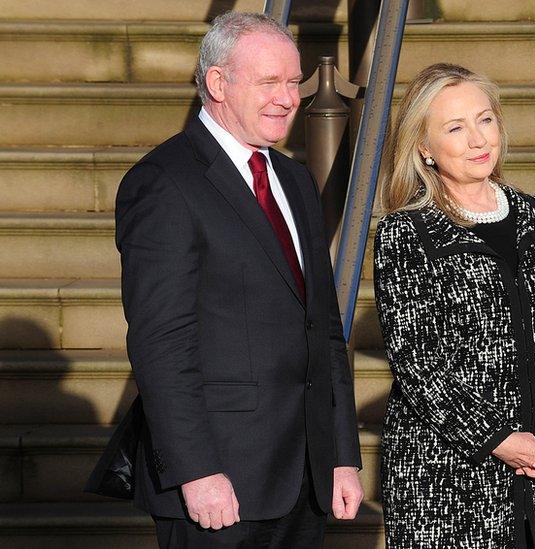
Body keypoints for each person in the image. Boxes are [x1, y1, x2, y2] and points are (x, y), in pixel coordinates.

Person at [101, 11, 363, 547]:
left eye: (294, 83)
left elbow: (324, 330)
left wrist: (340, 454)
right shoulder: (163, 183)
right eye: (270, 82)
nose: (289, 98)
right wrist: (196, 471)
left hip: (304, 478)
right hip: (218, 483)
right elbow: (161, 344)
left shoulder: (293, 179)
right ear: (217, 83)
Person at [372, 63, 535, 549]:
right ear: (423, 148)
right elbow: (419, 365)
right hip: (446, 482)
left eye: (485, 120)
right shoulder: (406, 234)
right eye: (455, 127)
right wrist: (498, 439)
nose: (478, 139)